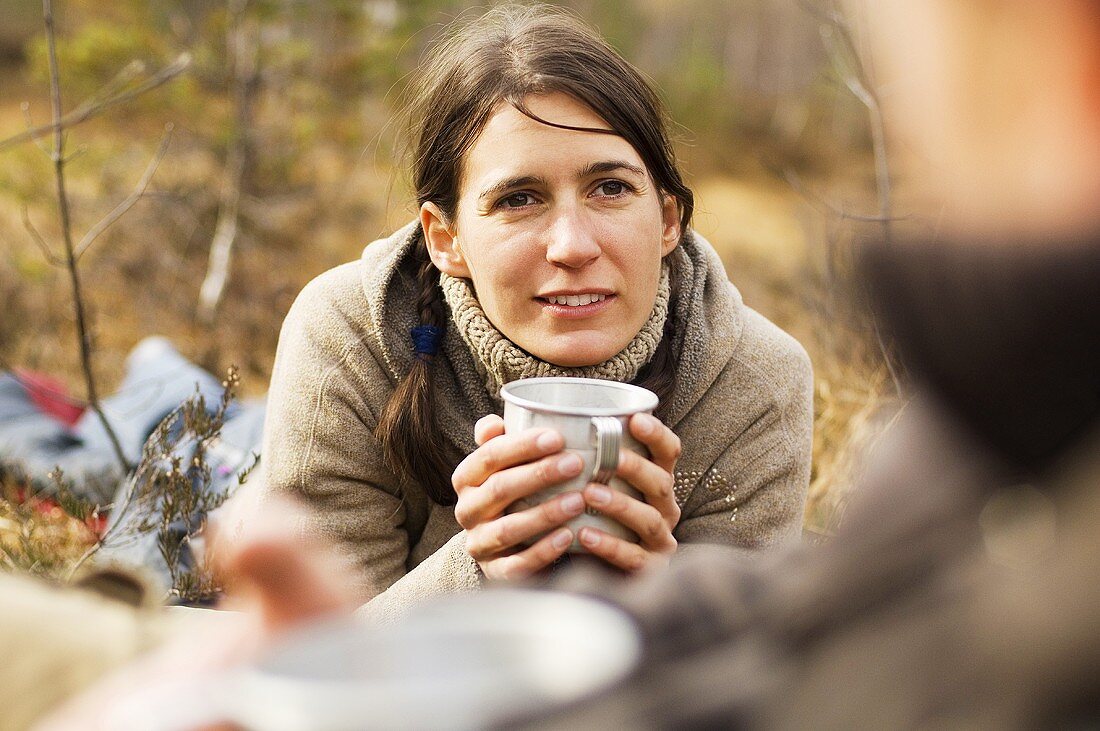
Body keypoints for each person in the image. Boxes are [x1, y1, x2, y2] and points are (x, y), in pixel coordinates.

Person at [252, 3, 813, 610]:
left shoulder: (756, 383)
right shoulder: (347, 339)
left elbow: (742, 683)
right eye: (520, 199)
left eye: (611, 188)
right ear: (446, 239)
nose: (572, 246)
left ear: (668, 218)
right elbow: (313, 662)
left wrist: (661, 606)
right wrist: (478, 568)